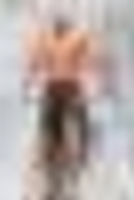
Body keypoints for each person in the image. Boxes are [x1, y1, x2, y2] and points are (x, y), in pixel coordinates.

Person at [26, 13, 101, 176]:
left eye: (63, 25)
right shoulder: (47, 40)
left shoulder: (72, 40)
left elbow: (90, 60)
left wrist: (29, 80)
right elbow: (35, 63)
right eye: (59, 25)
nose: (61, 27)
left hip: (66, 87)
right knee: (54, 127)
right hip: (60, 88)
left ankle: (74, 157)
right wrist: (29, 80)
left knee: (75, 124)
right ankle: (51, 159)